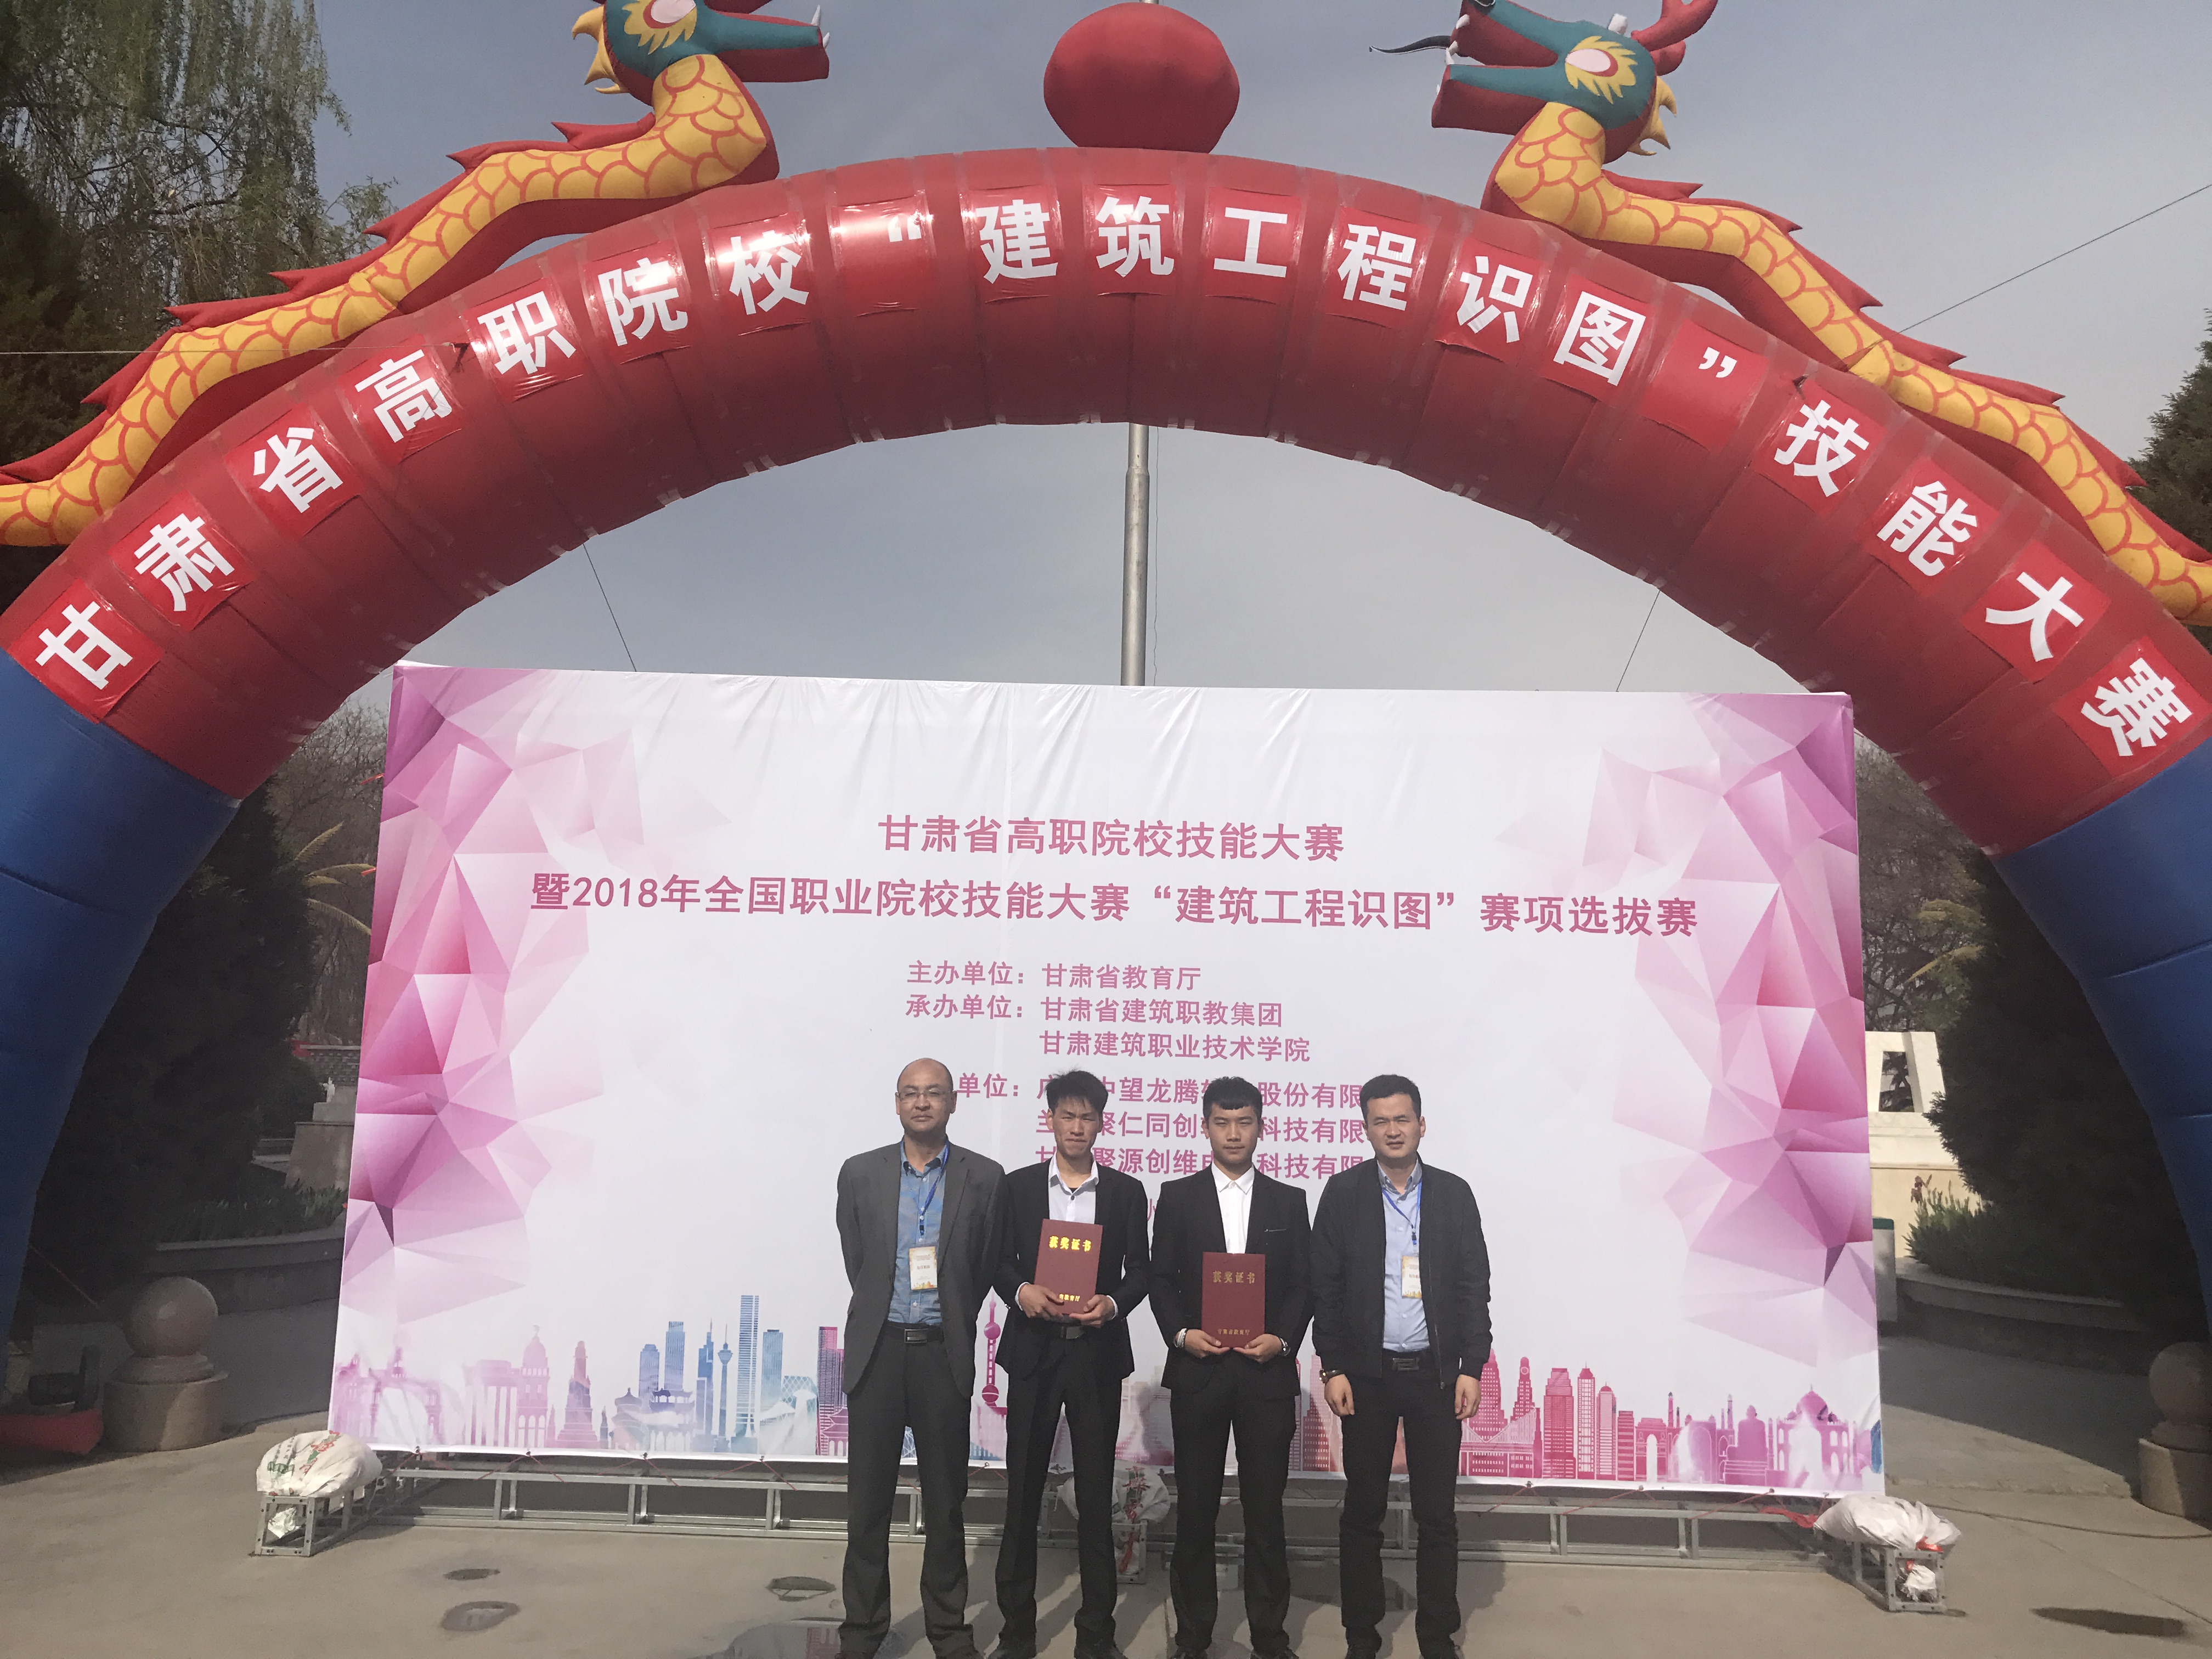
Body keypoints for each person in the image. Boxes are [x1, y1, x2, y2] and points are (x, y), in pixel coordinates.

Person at [1311, 1075, 1492, 1659]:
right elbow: (1325, 1287)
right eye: (1381, 1121)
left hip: (1437, 1378)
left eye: (1402, 1119)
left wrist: (1471, 1366)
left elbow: (1474, 1286)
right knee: (1363, 1513)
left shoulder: (1453, 1194)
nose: (1393, 1130)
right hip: (1367, 1377)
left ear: (1421, 1125)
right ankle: (1361, 1638)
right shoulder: (1343, 1194)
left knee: (1437, 1516)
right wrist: (1333, 1366)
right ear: (1366, 1129)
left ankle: (1437, 1638)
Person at [836, 1059, 1006, 1659]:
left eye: (934, 1093)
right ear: (897, 1102)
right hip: (879, 1353)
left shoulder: (984, 1178)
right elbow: (859, 1259)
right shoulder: (861, 1173)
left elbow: (982, 1268)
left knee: (945, 1502)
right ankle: (862, 1630)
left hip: (941, 1353)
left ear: (953, 1102)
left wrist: (948, 1313)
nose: (922, 1102)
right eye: (911, 1093)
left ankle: (948, 1630)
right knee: (868, 1505)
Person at [988, 1070, 1152, 1659]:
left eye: (1087, 1117)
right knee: (1023, 1493)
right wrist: (1021, 1292)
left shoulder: (1126, 1192)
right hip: (1036, 1350)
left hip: (1094, 1353)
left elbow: (1142, 1271)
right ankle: (1017, 1633)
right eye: (1067, 1116)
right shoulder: (1019, 1187)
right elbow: (998, 1261)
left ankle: (1096, 1635)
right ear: (1051, 1120)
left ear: (1101, 1124)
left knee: (1096, 1497)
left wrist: (1112, 1304)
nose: (1077, 1127)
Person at [1148, 1076, 1313, 1659]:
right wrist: (1181, 1335)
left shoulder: (1288, 1201)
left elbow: (1303, 1285)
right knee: (1196, 1511)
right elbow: (1160, 1280)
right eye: (1222, 1122)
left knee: (1265, 1514)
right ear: (1205, 1127)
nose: (1234, 1133)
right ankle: (1193, 1638)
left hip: (1266, 1373)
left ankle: (1270, 1637)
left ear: (1261, 1127)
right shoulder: (1178, 1196)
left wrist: (1283, 1340)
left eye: (1244, 1122)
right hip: (1201, 1371)